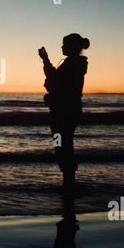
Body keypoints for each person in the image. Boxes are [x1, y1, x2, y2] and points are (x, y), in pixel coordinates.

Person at [38, 33, 90, 191]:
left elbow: (55, 81)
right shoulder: (74, 63)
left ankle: (69, 184)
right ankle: (69, 182)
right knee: (65, 144)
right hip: (68, 109)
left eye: (64, 44)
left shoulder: (72, 64)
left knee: (62, 146)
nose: (62, 47)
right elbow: (55, 80)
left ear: (72, 46)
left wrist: (46, 60)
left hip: (63, 111)